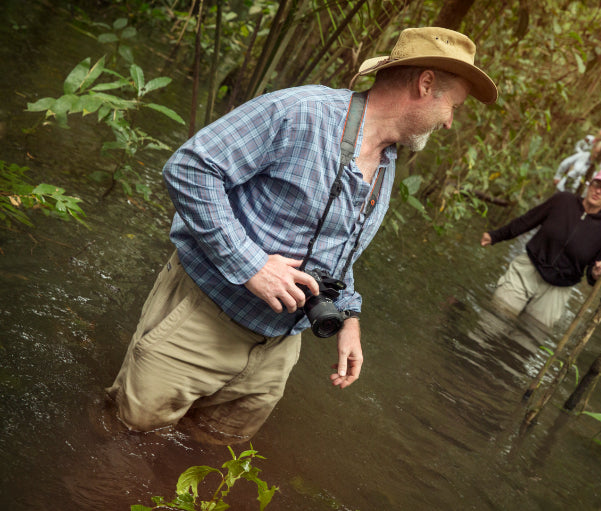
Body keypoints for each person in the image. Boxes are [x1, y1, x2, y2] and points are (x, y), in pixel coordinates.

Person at [106, 27, 497, 443]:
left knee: (205, 462)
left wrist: (348, 318)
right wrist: (251, 264)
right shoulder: (302, 111)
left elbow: (336, 250)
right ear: (426, 84)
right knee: (122, 440)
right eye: (453, 106)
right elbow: (189, 169)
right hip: (204, 317)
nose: (451, 121)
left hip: (276, 353)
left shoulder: (387, 162)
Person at [480, 167, 601, 329]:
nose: (598, 191)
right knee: (493, 321)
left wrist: (596, 274)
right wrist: (495, 236)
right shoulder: (563, 200)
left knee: (527, 341)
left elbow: (594, 273)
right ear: (589, 185)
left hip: (558, 289)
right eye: (596, 185)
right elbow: (528, 220)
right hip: (527, 270)